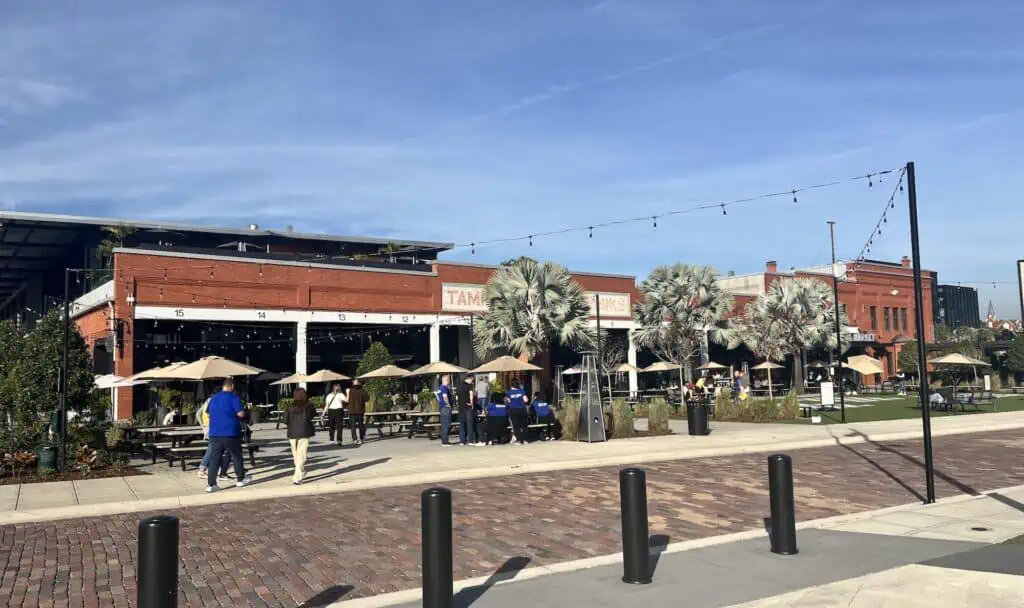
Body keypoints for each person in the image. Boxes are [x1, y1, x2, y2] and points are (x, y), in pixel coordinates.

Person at [205, 378, 252, 492]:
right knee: (236, 456)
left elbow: (208, 414)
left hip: (215, 433)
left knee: (214, 459)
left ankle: (211, 484)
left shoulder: (214, 398)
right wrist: (244, 413)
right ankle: (240, 479)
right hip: (230, 432)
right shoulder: (233, 397)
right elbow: (240, 414)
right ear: (232, 386)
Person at [286, 388, 316, 485]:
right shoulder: (309, 406)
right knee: (301, 455)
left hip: (292, 432)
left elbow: (285, 420)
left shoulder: (290, 407)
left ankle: (298, 475)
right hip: (304, 431)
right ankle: (299, 475)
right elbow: (312, 416)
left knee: (296, 455)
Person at [505, 378, 530, 445]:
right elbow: (526, 400)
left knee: (516, 426)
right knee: (524, 425)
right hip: (522, 409)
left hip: (513, 410)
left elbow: (508, 402)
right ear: (518, 384)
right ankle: (524, 440)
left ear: (511, 384)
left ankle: (519, 440)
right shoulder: (521, 391)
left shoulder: (509, 392)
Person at [456, 375, 477, 446]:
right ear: (470, 378)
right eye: (472, 380)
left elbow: (456, 396)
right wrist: (472, 403)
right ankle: (470, 441)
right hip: (468, 407)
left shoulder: (459, 386)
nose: (472, 381)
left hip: (461, 407)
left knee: (462, 425)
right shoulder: (470, 385)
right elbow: (471, 395)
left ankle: (462, 441)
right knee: (469, 424)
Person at [346, 379, 369, 445]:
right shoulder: (362, 390)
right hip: (360, 411)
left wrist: (347, 407)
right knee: (361, 426)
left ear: (353, 384)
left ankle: (355, 439)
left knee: (353, 426)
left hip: (351, 411)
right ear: (359, 383)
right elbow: (367, 399)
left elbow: (346, 401)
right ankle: (361, 438)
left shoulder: (349, 390)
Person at [196, 396, 212, 479]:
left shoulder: (207, 402)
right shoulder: (213, 401)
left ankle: (207, 469)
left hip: (206, 427)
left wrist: (202, 425)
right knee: (211, 449)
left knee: (213, 448)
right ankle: (202, 470)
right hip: (212, 427)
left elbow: (198, 413)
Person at [436, 375, 454, 447]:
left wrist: (441, 403)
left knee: (444, 424)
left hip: (442, 408)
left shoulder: (440, 387)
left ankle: (444, 440)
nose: (449, 381)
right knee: (447, 424)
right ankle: (445, 442)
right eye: (448, 379)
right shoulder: (444, 388)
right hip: (446, 408)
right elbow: (445, 396)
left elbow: (437, 397)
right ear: (446, 380)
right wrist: (448, 404)